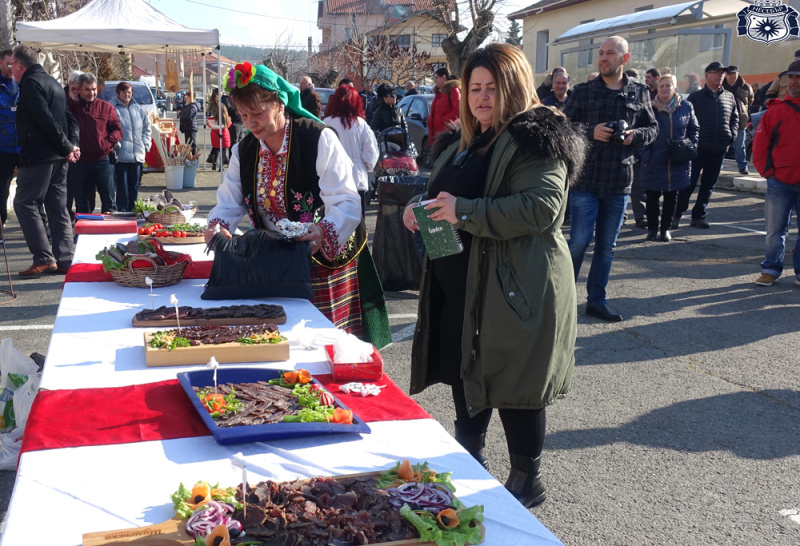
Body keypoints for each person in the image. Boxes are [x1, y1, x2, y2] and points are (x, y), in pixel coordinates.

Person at [401, 42, 585, 509]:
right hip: (460, 285)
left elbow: (542, 208)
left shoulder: (535, 138)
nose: (481, 98)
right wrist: (417, 210)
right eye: (474, 88)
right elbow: (440, 199)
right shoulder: (463, 142)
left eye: (492, 88)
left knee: (514, 384)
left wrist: (461, 211)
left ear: (514, 87)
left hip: (514, 286)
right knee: (467, 372)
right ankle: (470, 462)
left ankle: (527, 481)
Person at [203, 63, 388, 345]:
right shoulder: (244, 150)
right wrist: (218, 226)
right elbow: (229, 201)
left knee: (322, 342)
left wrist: (324, 231)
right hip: (274, 259)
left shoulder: (317, 138)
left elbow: (346, 200)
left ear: (279, 103)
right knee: (282, 339)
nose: (251, 123)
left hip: (323, 259)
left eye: (257, 113)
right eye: (243, 115)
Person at [563, 35, 658, 322]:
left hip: (619, 182)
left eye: (611, 54)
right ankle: (561, 298)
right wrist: (590, 131)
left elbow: (652, 129)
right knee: (579, 241)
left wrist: (634, 136)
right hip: (586, 181)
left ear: (624, 59)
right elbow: (564, 127)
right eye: (601, 53)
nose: (604, 58)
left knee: (607, 246)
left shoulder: (640, 93)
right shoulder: (583, 91)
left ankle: (597, 301)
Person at [11, 44, 79, 276]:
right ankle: (65, 258)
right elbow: (70, 119)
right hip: (58, 157)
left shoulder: (30, 84)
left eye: (12, 66)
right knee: (57, 208)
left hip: (40, 155)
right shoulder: (53, 83)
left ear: (20, 65)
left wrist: (68, 146)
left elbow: (45, 120)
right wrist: (71, 145)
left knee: (24, 203)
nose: (11, 71)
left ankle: (43, 257)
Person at [752, 59, 800, 287]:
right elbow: (760, 144)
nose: (793, 81)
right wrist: (768, 172)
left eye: (798, 77)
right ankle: (771, 268)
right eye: (791, 77)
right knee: (774, 232)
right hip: (779, 182)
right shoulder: (776, 110)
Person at [673, 62, 738, 230]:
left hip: (719, 149)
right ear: (707, 75)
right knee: (689, 182)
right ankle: (676, 214)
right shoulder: (696, 97)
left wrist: (731, 136)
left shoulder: (729, 97)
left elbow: (735, 119)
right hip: (697, 149)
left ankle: (698, 216)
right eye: (716, 73)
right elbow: (685, 120)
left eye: (722, 73)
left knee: (709, 184)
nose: (720, 76)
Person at [641, 74, 699, 242]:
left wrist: (690, 146)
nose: (665, 89)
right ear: (657, 88)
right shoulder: (649, 108)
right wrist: (646, 155)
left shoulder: (686, 106)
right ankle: (652, 229)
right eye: (662, 86)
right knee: (651, 196)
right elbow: (641, 133)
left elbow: (694, 128)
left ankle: (665, 228)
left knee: (671, 197)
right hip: (654, 159)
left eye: (668, 85)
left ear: (675, 88)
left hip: (678, 160)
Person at [67, 72, 123, 213]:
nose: (91, 93)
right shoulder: (70, 107)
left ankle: (109, 232)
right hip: (79, 163)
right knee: (82, 203)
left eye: (94, 89)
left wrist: (106, 144)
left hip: (102, 161)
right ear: (79, 89)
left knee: (109, 202)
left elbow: (117, 130)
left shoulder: (106, 107)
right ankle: (84, 233)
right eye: (87, 89)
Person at [324, 85, 379, 217]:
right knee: (357, 221)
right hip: (356, 178)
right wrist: (366, 167)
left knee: (334, 221)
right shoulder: (361, 124)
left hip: (333, 179)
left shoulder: (326, 123)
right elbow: (370, 153)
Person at [109, 82, 151, 212]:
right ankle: (122, 210)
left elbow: (147, 128)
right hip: (121, 155)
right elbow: (108, 128)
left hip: (137, 154)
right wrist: (116, 145)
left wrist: (145, 144)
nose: (127, 95)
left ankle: (133, 210)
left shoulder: (138, 108)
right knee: (122, 185)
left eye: (129, 92)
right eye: (124, 92)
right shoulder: (112, 108)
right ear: (118, 93)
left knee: (134, 186)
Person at [0, 49, 19, 235]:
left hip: (24, 147)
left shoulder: (24, 84)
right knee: (2, 191)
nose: (12, 68)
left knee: (34, 191)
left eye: (14, 64)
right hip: (3, 148)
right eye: (8, 64)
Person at [723, 65, 754, 175]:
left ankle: (743, 167)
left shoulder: (745, 87)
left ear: (738, 73)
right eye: (729, 74)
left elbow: (750, 101)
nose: (732, 76)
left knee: (740, 145)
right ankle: (718, 166)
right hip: (725, 120)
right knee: (722, 145)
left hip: (740, 121)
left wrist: (744, 111)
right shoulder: (722, 86)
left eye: (734, 73)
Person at [428, 67, 461, 145]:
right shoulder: (439, 92)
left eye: (436, 78)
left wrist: (443, 120)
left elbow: (458, 111)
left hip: (446, 133)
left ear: (443, 77)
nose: (435, 81)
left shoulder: (453, 90)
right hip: (435, 133)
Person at [207, 102, 231, 171]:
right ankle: (221, 166)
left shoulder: (213, 119)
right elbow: (230, 124)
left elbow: (209, 124)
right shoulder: (227, 119)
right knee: (223, 151)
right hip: (224, 135)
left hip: (215, 135)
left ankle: (214, 163)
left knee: (216, 148)